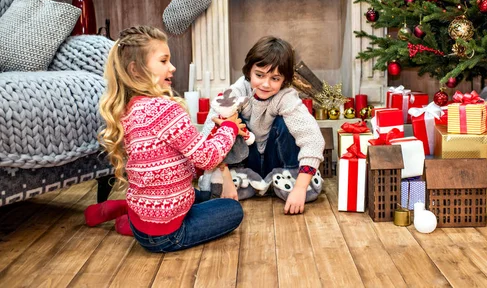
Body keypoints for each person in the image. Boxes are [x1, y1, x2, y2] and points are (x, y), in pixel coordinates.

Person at [84, 26, 245, 253]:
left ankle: (120, 211)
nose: (172, 67)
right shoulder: (165, 109)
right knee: (232, 210)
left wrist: (213, 133)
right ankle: (125, 215)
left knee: (205, 195)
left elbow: (178, 160)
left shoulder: (130, 108)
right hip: (168, 235)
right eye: (164, 61)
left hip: (146, 220)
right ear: (136, 70)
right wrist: (229, 127)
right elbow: (207, 159)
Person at [202, 36, 325, 215]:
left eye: (275, 78)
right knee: (228, 120)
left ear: (284, 80)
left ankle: (290, 175)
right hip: (245, 162)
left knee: (285, 122)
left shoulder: (286, 96)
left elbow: (313, 139)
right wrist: (226, 177)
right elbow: (210, 134)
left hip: (277, 160)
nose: (266, 84)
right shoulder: (237, 91)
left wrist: (299, 188)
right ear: (249, 71)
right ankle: (240, 177)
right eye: (259, 75)